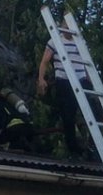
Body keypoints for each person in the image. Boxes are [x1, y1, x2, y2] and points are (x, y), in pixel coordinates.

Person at [37, 26, 93, 158]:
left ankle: (91, 145)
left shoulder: (80, 41)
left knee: (91, 111)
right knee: (68, 116)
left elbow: (87, 64)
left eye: (69, 28)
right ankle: (74, 148)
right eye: (65, 28)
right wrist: (41, 79)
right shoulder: (55, 41)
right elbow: (44, 61)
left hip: (81, 80)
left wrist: (92, 81)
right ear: (62, 29)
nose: (67, 31)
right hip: (64, 81)